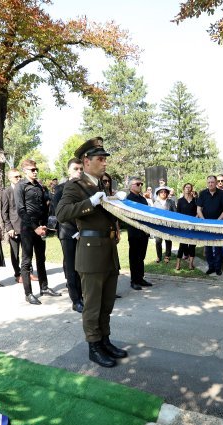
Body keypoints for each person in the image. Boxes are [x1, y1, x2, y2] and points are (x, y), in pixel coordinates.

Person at [55, 137, 127, 368]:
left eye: (105, 159)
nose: (105, 163)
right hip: (91, 252)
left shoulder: (101, 186)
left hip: (108, 251)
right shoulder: (75, 186)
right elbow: (62, 213)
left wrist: (117, 201)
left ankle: (104, 340)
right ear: (86, 161)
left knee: (107, 303)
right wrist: (90, 202)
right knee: (93, 304)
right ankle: (94, 347)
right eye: (100, 159)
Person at [15, 158, 61, 304]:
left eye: (36, 169)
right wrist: (34, 227)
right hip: (28, 228)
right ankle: (28, 293)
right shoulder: (20, 186)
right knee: (26, 261)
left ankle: (44, 287)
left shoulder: (40, 186)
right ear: (25, 171)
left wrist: (45, 225)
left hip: (41, 227)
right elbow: (21, 210)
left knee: (41, 258)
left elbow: (46, 206)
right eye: (32, 170)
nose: (35, 172)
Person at [53, 159, 84, 313]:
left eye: (81, 168)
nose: (79, 171)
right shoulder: (60, 189)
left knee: (82, 266)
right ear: (69, 171)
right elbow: (60, 214)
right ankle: (76, 300)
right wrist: (76, 232)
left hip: (84, 233)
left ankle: (83, 295)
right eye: (76, 168)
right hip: (68, 232)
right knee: (71, 267)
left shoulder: (86, 188)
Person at [197, 175, 223, 275]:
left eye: (212, 182)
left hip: (218, 224)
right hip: (206, 224)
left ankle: (218, 267)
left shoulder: (222, 193)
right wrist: (203, 221)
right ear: (207, 183)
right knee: (208, 248)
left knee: (218, 247)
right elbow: (199, 209)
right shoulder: (202, 193)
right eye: (209, 182)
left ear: (216, 183)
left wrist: (219, 220)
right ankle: (211, 266)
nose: (211, 184)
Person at [0, 169, 27, 283]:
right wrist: (9, 228)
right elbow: (4, 212)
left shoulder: (24, 189)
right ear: (10, 178)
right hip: (14, 228)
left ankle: (27, 273)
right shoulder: (6, 192)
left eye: (20, 176)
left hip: (26, 226)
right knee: (15, 253)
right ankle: (18, 274)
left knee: (27, 252)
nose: (19, 178)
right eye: (16, 177)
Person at [126, 178, 152, 290]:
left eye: (141, 184)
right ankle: (134, 280)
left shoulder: (142, 199)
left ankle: (140, 278)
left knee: (141, 257)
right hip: (134, 232)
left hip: (143, 232)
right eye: (137, 184)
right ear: (131, 186)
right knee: (134, 257)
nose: (140, 185)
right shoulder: (128, 199)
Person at [175, 182, 197, 271]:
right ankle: (178, 264)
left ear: (191, 189)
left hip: (193, 225)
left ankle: (191, 264)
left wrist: (195, 220)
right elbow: (178, 213)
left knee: (192, 244)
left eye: (189, 187)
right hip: (183, 226)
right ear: (183, 189)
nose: (188, 189)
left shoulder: (195, 200)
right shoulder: (180, 200)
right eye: (186, 187)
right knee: (182, 244)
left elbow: (198, 212)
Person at [152, 185, 175, 263]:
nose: (163, 193)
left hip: (168, 225)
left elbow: (174, 213)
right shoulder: (155, 203)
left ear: (167, 193)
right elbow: (153, 214)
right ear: (158, 194)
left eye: (165, 192)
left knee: (168, 240)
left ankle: (167, 256)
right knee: (158, 241)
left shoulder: (171, 202)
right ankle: (159, 256)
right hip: (158, 225)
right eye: (161, 192)